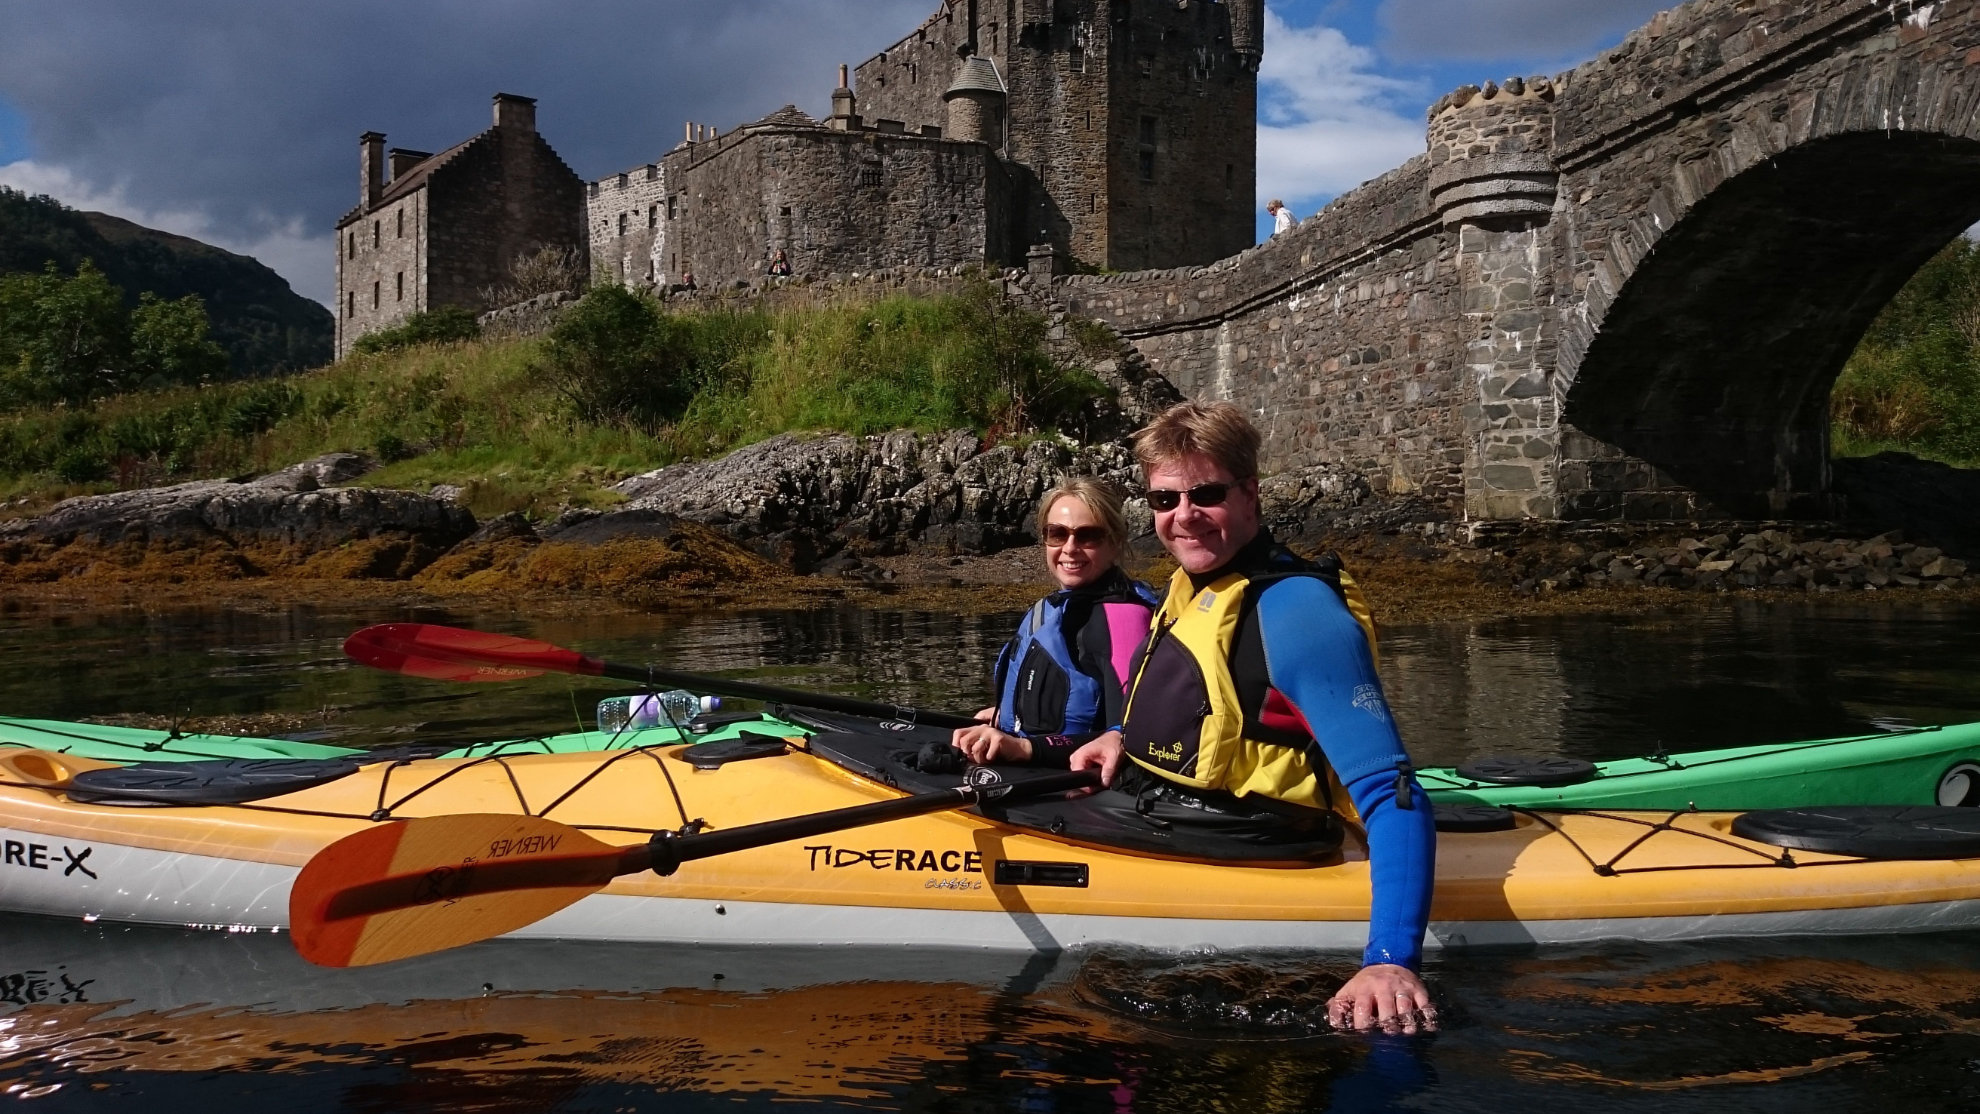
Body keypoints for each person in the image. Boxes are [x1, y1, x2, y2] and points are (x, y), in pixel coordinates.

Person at [1068, 401, 1438, 1034]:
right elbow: (1218, 710)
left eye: (1204, 494)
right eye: (1163, 501)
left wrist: (1389, 962)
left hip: (1253, 841)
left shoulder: (1297, 611)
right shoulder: (1196, 584)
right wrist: (1121, 738)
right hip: (1171, 814)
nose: (1182, 518)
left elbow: (1394, 793)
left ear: (1250, 494)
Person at [951, 478, 1159, 766]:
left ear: (1114, 544)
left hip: (1076, 785)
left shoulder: (1124, 619)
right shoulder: (1057, 607)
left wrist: (1024, 748)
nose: (1070, 548)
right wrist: (1011, 712)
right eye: (1057, 534)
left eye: (1088, 536)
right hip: (1039, 765)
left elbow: (1127, 735)